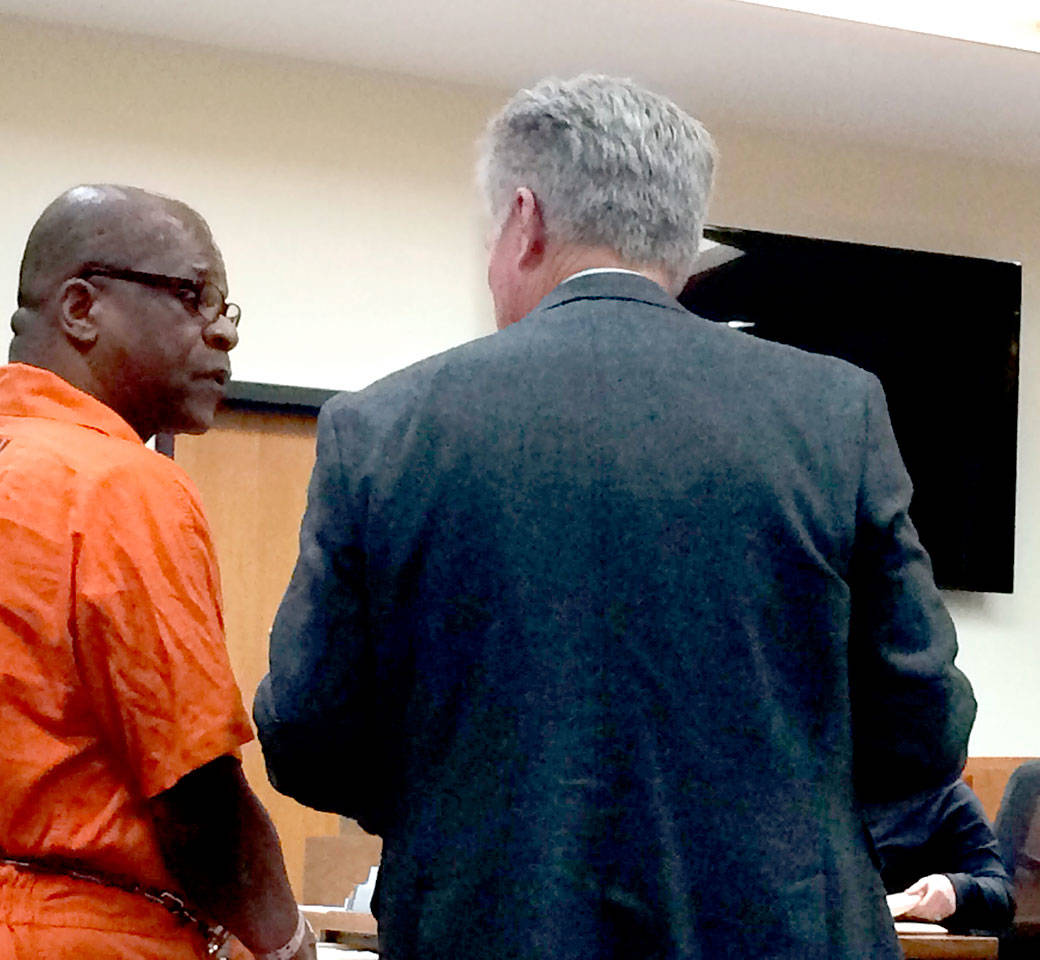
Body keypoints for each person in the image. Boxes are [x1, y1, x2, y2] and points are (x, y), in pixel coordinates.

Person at [254, 75, 976, 959]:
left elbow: (307, 733)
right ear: (683, 241)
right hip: (783, 932)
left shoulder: (384, 428)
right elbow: (924, 724)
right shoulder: (834, 412)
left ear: (524, 220)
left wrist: (458, 800)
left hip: (488, 927)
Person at [0, 185, 314, 960]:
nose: (224, 332)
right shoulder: (120, 485)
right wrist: (285, 940)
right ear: (80, 308)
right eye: (196, 296)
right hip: (79, 933)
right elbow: (193, 795)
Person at [865, 775, 1014, 934]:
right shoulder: (845, 796)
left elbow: (1000, 895)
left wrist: (955, 890)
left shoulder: (947, 794)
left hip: (908, 942)